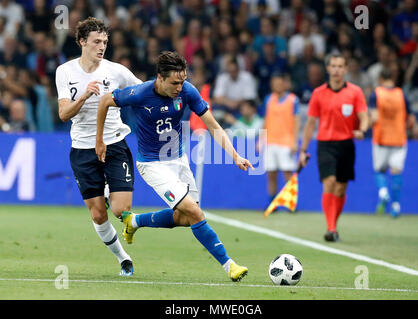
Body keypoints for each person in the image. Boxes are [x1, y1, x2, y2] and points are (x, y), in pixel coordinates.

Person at [95, 51, 252, 282]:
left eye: (183, 81)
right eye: (175, 83)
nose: (180, 87)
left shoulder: (188, 91)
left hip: (179, 161)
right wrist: (100, 140)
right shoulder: (139, 93)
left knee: (186, 218)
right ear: (160, 78)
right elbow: (105, 100)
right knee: (196, 213)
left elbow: (213, 125)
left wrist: (235, 155)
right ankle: (229, 265)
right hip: (152, 165)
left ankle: (135, 221)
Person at [55, 17, 142, 276]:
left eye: (104, 41)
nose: (101, 46)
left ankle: (108, 190)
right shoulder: (65, 71)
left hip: (114, 143)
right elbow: (63, 115)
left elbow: (142, 91)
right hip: (82, 148)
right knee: (98, 215)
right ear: (82, 42)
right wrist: (84, 95)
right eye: (96, 42)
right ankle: (123, 258)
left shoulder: (116, 71)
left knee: (121, 210)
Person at [298, 53, 369, 242]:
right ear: (328, 69)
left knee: (341, 188)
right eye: (334, 66)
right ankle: (331, 228)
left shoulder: (355, 92)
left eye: (340, 66)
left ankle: (333, 226)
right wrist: (303, 150)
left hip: (346, 144)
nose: (337, 70)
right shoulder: (318, 93)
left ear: (345, 69)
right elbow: (311, 123)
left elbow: (364, 116)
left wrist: (362, 130)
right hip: (325, 144)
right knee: (329, 182)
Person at [369, 69, 416, 217]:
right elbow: (412, 120)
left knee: (379, 170)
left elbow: (375, 118)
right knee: (396, 171)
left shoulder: (376, 94)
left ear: (381, 78)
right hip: (399, 138)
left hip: (381, 138)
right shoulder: (402, 94)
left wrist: (367, 124)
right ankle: (396, 206)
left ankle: (383, 193)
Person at [258, 73, 300, 210]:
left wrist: (295, 141)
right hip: (270, 141)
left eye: (279, 83)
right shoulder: (269, 99)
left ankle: (290, 203)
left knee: (287, 173)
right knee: (271, 173)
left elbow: (297, 122)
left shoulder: (293, 100)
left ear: (284, 84)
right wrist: (261, 139)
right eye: (274, 83)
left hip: (286, 142)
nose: (277, 86)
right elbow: (266, 120)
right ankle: (272, 202)